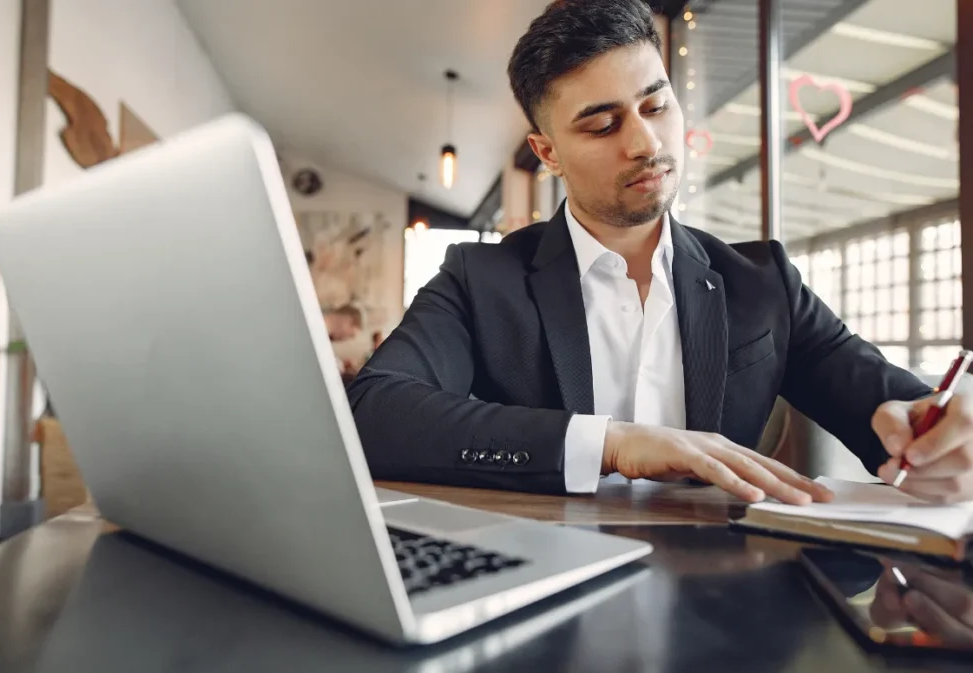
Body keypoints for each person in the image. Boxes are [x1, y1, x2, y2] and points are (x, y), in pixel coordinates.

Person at [347, 0, 973, 504]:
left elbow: (895, 410)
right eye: (602, 125)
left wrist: (939, 436)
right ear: (548, 153)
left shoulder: (762, 283)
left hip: (723, 603)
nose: (645, 142)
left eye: (656, 104)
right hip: (537, 602)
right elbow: (374, 414)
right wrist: (608, 444)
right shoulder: (480, 278)